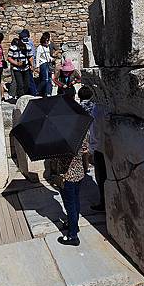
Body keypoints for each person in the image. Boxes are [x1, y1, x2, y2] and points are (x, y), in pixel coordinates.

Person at [54, 90, 89, 247]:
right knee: (75, 201)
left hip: (67, 176)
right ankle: (74, 225)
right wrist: (85, 168)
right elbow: (85, 153)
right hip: (79, 172)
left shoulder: (60, 137)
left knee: (70, 204)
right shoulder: (81, 131)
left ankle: (72, 235)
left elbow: (56, 158)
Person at [19, 29, 37, 96]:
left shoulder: (29, 43)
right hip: (24, 63)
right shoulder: (29, 42)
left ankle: (33, 93)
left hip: (28, 63)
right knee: (27, 79)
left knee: (29, 80)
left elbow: (32, 55)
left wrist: (32, 65)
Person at [36, 33, 54, 97]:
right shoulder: (40, 47)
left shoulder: (47, 47)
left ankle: (48, 92)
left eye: (48, 40)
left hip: (48, 63)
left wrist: (52, 59)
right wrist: (37, 67)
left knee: (49, 79)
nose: (47, 42)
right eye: (46, 41)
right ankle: (37, 91)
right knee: (45, 79)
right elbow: (37, 57)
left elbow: (48, 56)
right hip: (43, 64)